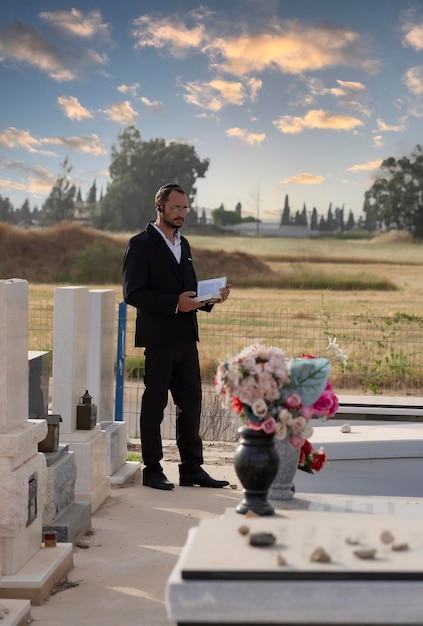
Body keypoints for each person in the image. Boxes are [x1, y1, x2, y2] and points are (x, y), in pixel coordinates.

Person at [122, 183, 231, 490]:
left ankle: (192, 469)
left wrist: (211, 298)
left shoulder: (184, 245)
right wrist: (174, 303)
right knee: (154, 407)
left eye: (185, 208)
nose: (182, 213)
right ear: (159, 206)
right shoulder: (140, 244)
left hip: (186, 338)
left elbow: (190, 292)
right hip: (159, 339)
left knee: (191, 404)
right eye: (176, 207)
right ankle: (152, 469)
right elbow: (133, 293)